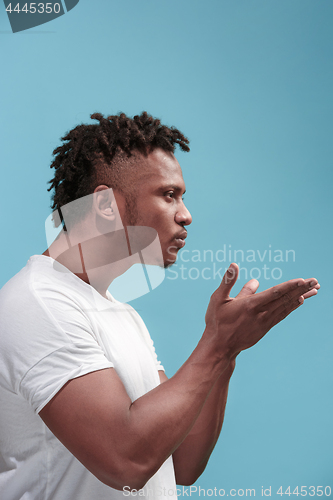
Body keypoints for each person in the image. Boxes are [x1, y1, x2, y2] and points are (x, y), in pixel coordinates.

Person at [0, 112, 320, 500]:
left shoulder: (120, 313)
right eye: (169, 195)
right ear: (105, 205)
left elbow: (181, 462)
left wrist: (226, 349)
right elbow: (126, 462)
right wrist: (216, 345)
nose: (186, 215)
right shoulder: (39, 304)